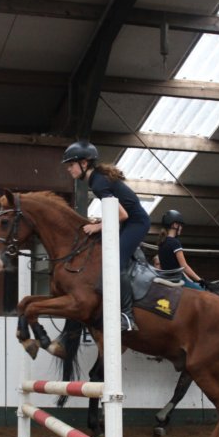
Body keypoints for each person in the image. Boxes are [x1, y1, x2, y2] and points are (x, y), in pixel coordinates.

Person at [62, 141, 150, 331]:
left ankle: (127, 315)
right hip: (129, 221)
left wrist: (98, 226)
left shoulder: (98, 183)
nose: (69, 169)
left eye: (71, 164)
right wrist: (101, 221)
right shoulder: (97, 179)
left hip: (136, 223)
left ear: (84, 163)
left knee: (115, 262)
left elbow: (122, 215)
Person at [156, 209, 204, 290]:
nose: (181, 228)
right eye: (180, 225)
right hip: (177, 280)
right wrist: (200, 280)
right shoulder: (175, 242)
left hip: (166, 279)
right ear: (175, 225)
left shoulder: (162, 243)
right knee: (204, 291)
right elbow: (184, 266)